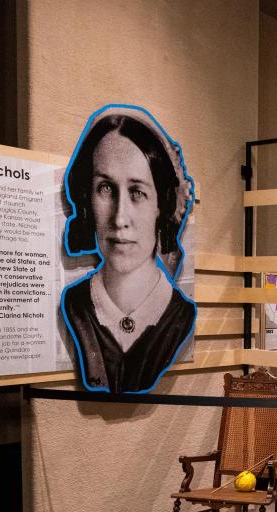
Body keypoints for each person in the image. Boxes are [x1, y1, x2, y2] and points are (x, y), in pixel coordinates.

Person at [61, 107, 196, 393]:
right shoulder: (76, 305)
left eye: (137, 192)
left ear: (162, 205)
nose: (120, 219)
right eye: (106, 188)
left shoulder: (178, 317)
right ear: (87, 200)